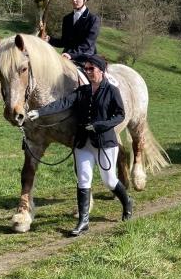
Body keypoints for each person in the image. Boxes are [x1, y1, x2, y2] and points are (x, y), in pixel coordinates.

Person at [26, 55, 132, 236]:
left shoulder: (112, 91)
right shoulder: (82, 91)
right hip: (83, 143)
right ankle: (83, 221)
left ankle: (127, 203)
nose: (88, 72)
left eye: (91, 69)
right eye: (86, 69)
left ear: (101, 70)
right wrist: (39, 112)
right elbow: (62, 103)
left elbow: (120, 116)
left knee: (109, 181)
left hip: (105, 143)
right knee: (83, 180)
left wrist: (99, 125)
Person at [42, 0, 101, 65]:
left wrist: (71, 54)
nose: (74, 0)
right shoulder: (67, 18)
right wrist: (50, 40)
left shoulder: (93, 19)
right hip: (66, 57)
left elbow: (87, 43)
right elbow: (64, 42)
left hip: (85, 58)